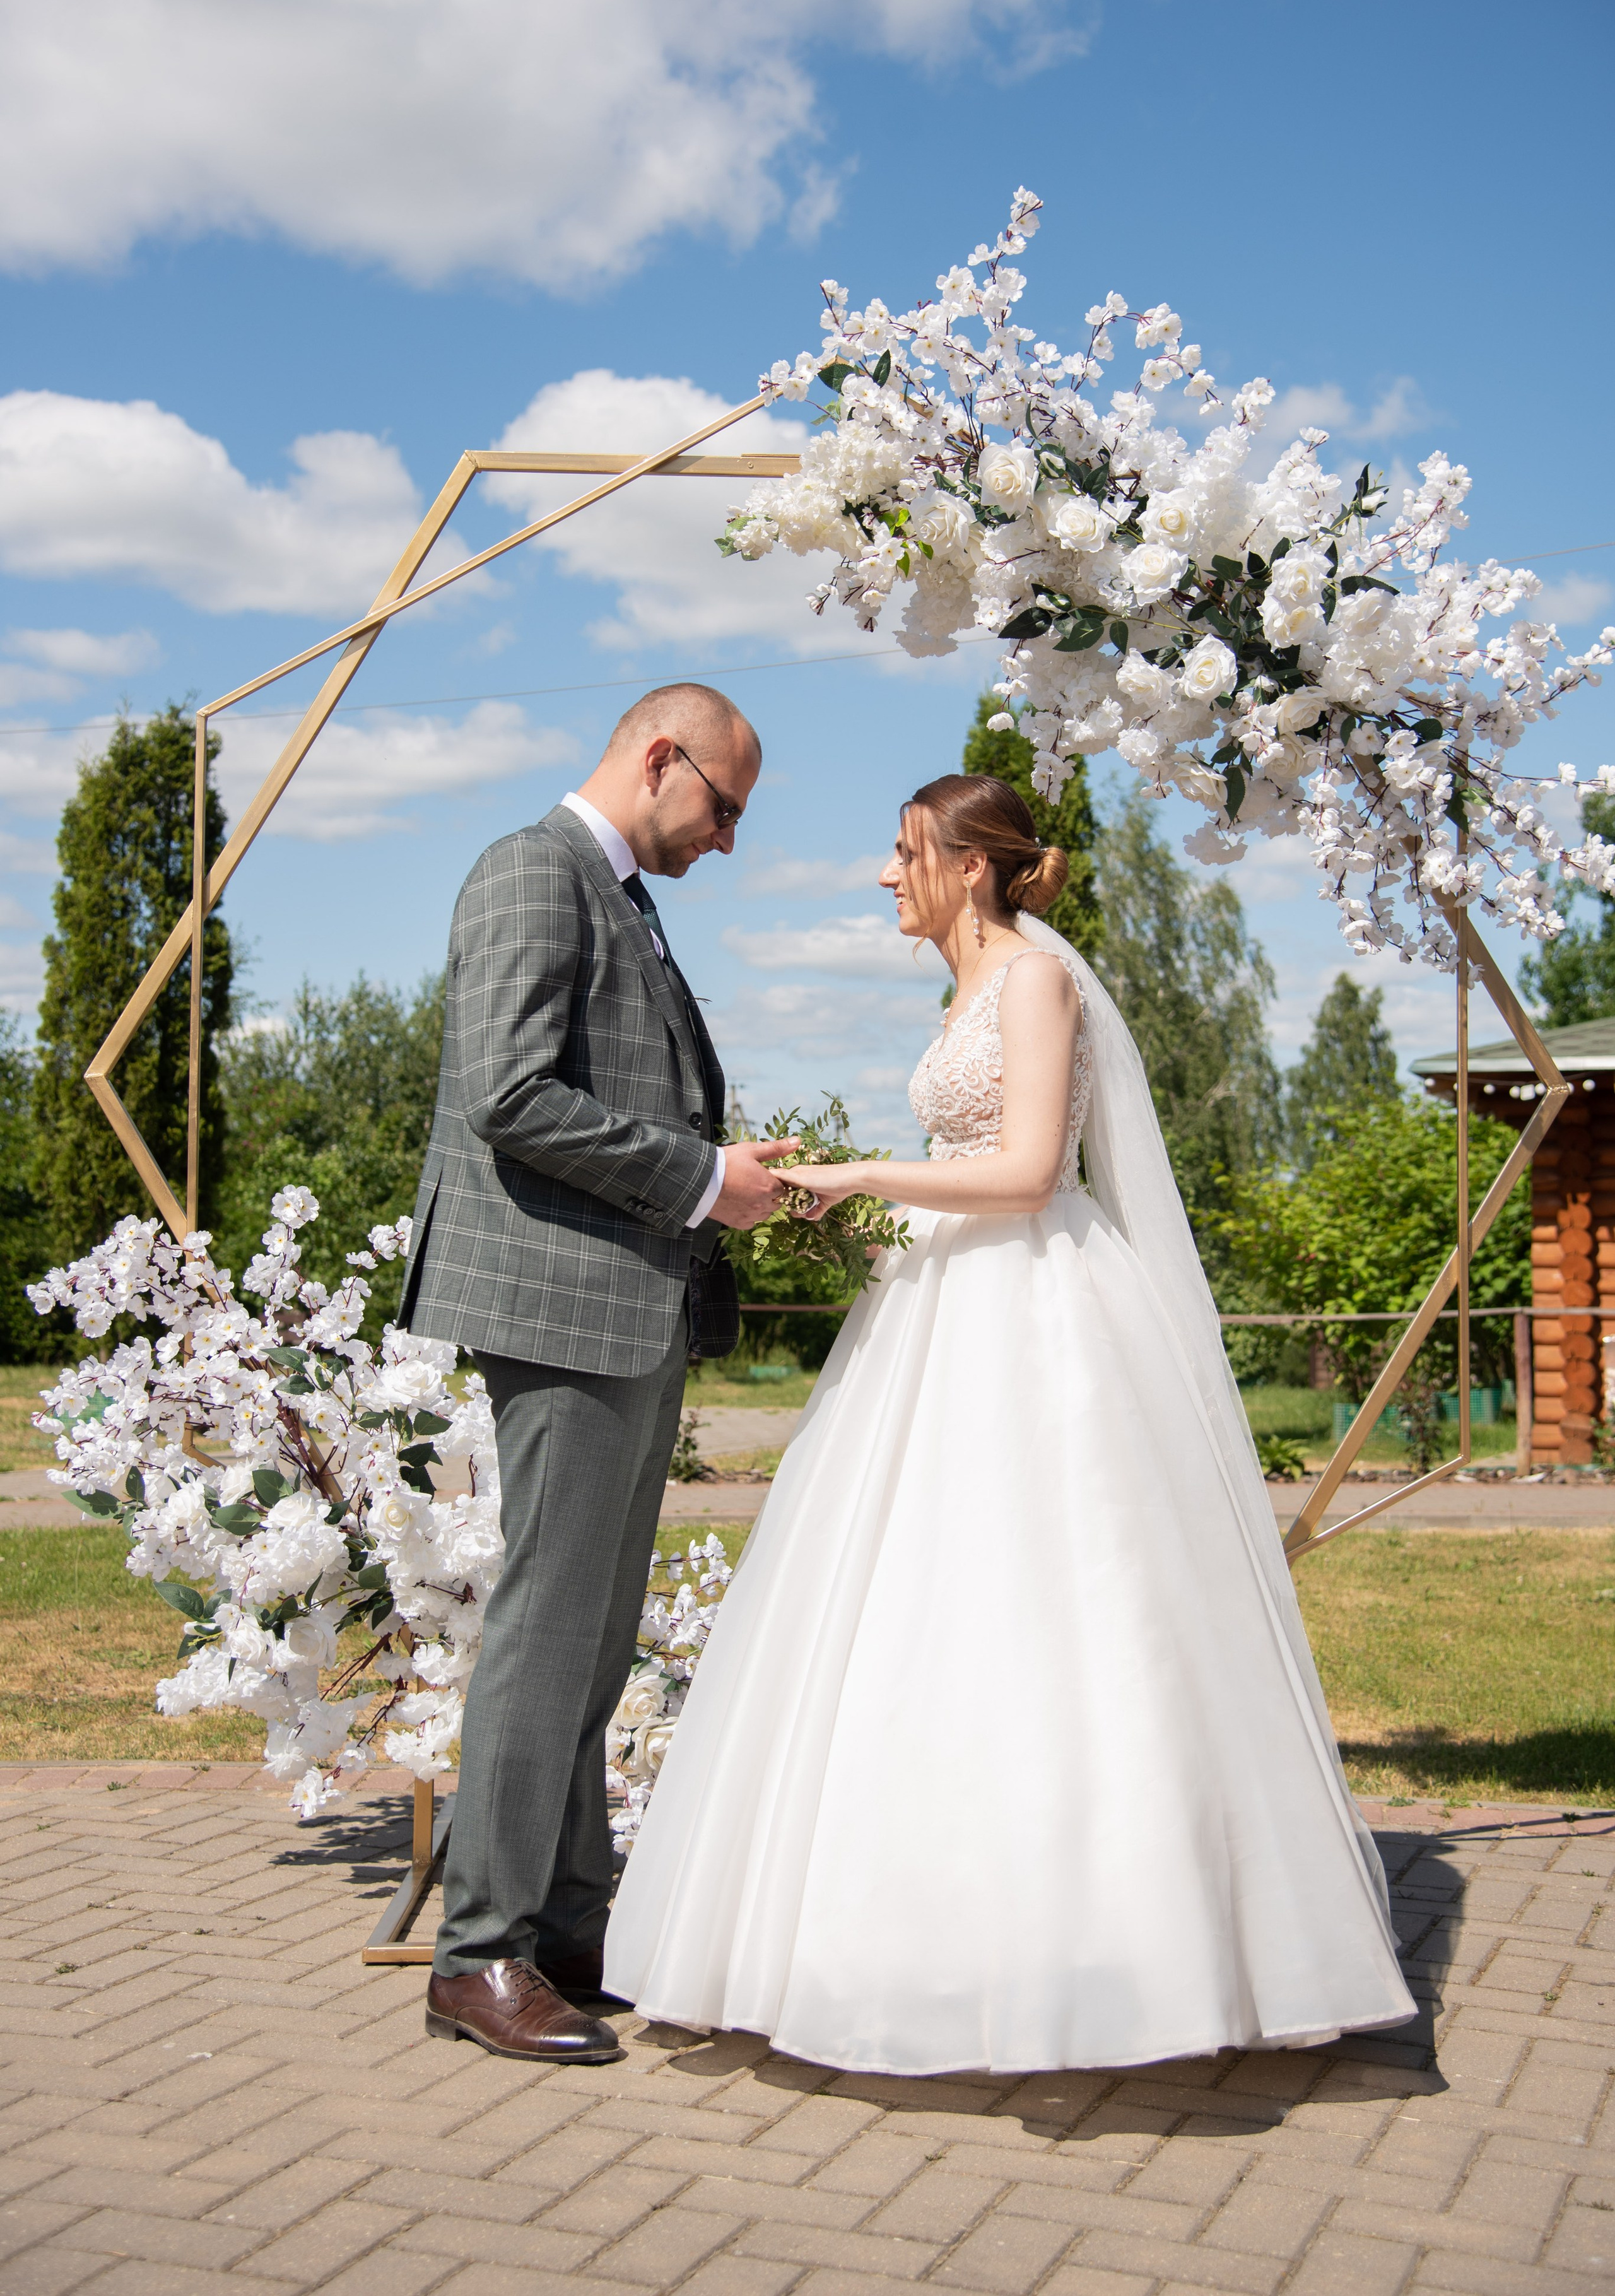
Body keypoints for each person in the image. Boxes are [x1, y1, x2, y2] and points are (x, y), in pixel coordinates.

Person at [604, 772, 1415, 2074]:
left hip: (1032, 1310)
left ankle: (1110, 1944)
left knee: (1053, 1606)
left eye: (902, 847)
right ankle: (914, 1931)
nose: (886, 873)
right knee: (916, 1610)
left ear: (968, 867)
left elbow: (1031, 1170)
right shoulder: (967, 986)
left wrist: (861, 1173)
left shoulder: (1035, 979)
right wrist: (867, 1201)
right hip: (940, 1306)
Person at [397, 682, 795, 2065]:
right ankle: (481, 1952)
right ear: (660, 754)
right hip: (559, 1315)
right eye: (725, 806)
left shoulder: (621, 893)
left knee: (593, 1639)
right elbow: (507, 1092)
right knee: (546, 1635)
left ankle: (566, 1923)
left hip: (624, 1313)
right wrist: (703, 1178)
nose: (729, 839)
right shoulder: (532, 868)